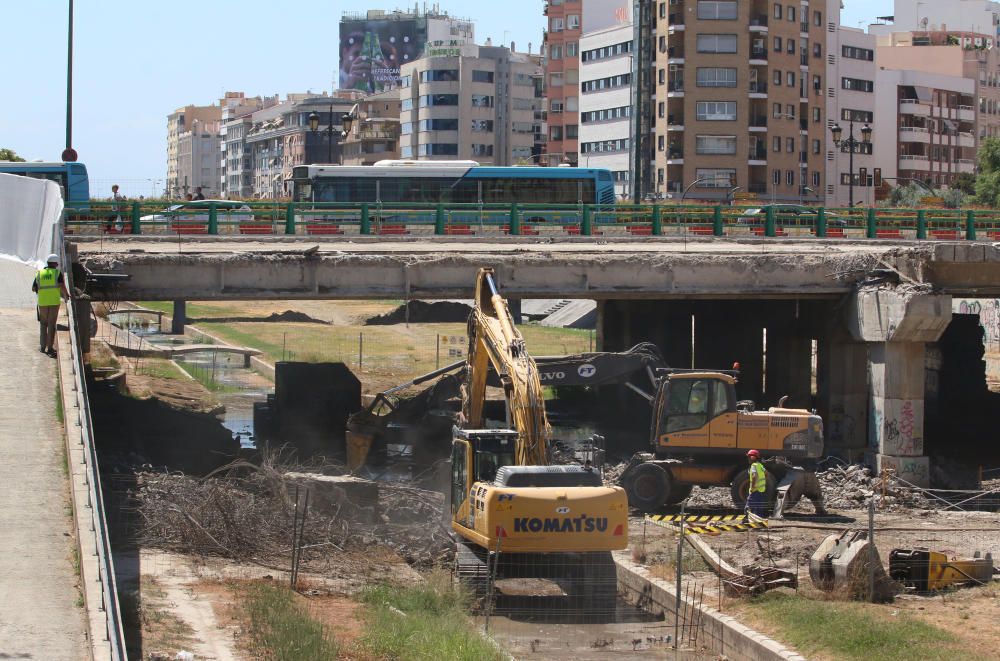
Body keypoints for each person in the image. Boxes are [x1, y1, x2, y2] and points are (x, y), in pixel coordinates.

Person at [31, 253, 69, 357]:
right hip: (54, 302)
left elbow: (34, 288)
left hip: (42, 302)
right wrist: (67, 296)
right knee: (51, 325)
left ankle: (43, 347)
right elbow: (62, 286)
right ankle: (50, 348)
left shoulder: (40, 273)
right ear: (56, 264)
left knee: (43, 324)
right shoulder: (57, 273)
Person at [745, 449, 767, 518]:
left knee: (748, 507)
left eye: (749, 457)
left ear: (753, 457)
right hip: (761, 490)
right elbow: (766, 473)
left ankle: (746, 519)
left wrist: (752, 487)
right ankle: (759, 520)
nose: (748, 459)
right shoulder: (760, 465)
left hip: (755, 490)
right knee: (758, 507)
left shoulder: (754, 465)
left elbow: (754, 476)